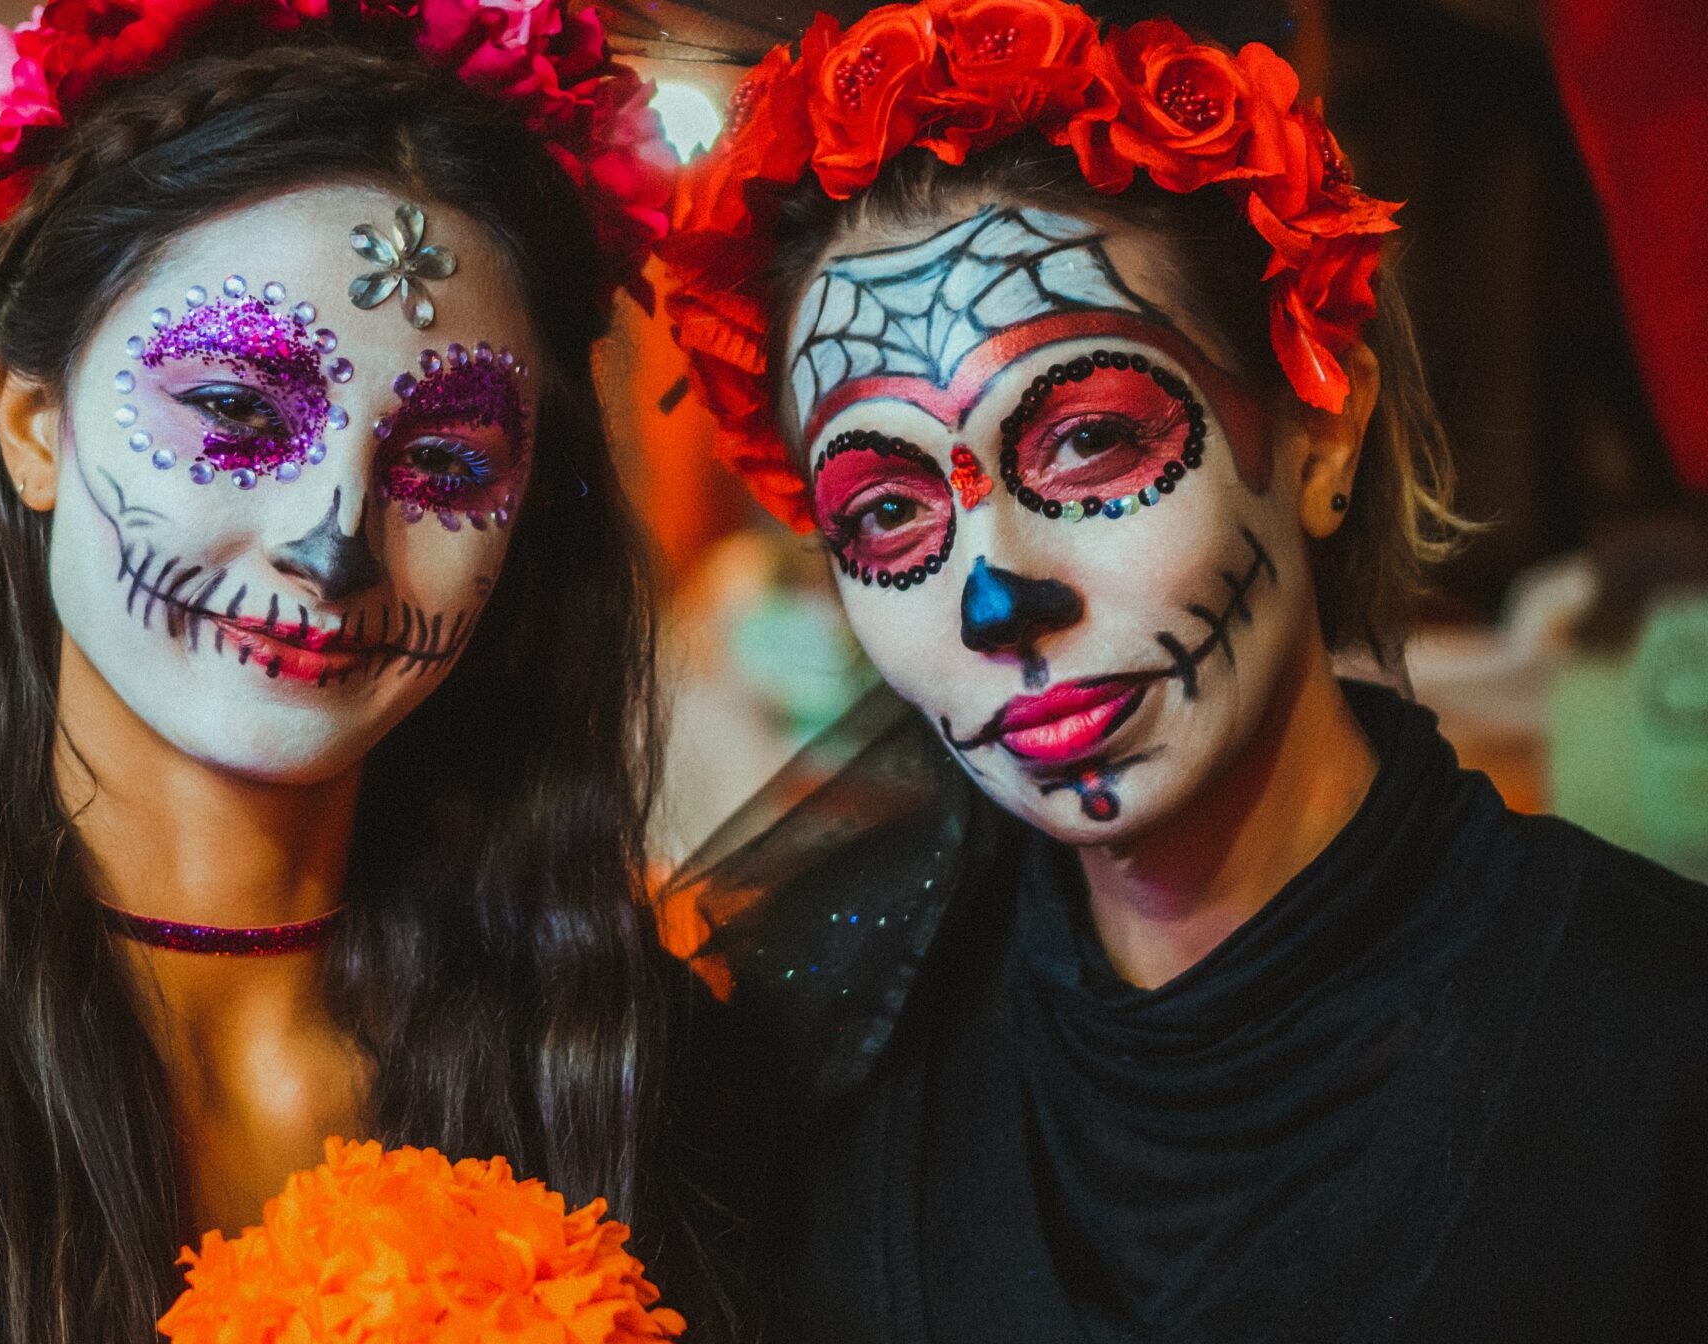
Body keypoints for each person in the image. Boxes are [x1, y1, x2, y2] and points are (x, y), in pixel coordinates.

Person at [0, 5, 748, 1343]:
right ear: (30, 425)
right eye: (233, 410)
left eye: (445, 463)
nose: (332, 543)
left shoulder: (640, 1078)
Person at [655, 2, 1708, 1339]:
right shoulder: (807, 1060)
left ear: (1322, 434)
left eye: (1091, 440)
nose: (994, 593)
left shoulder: (1659, 1048)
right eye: (888, 511)